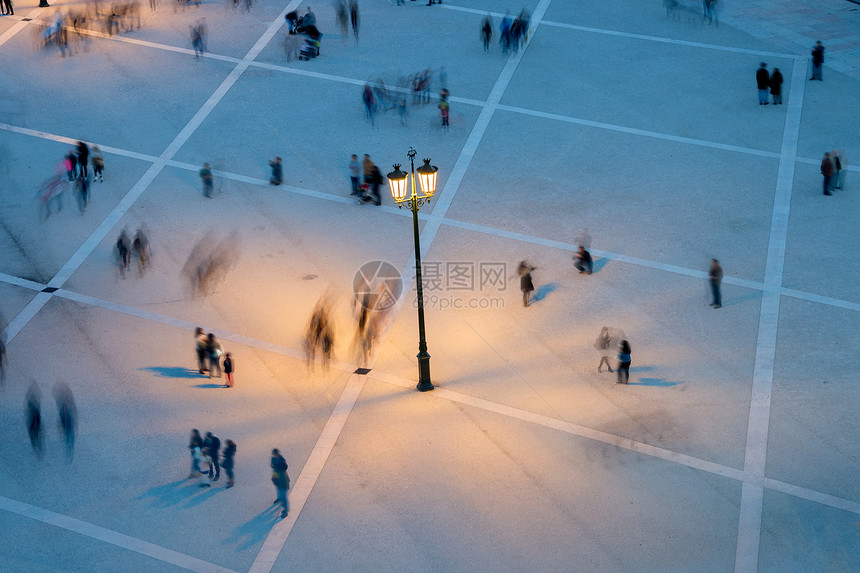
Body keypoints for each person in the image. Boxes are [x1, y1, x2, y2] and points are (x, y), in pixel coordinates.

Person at [271, 449, 290, 519]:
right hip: (278, 481)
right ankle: (279, 498)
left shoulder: (281, 462)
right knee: (279, 492)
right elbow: (273, 467)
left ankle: (285, 511)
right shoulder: (273, 459)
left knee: (283, 496)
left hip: (282, 483)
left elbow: (283, 468)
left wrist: (275, 479)